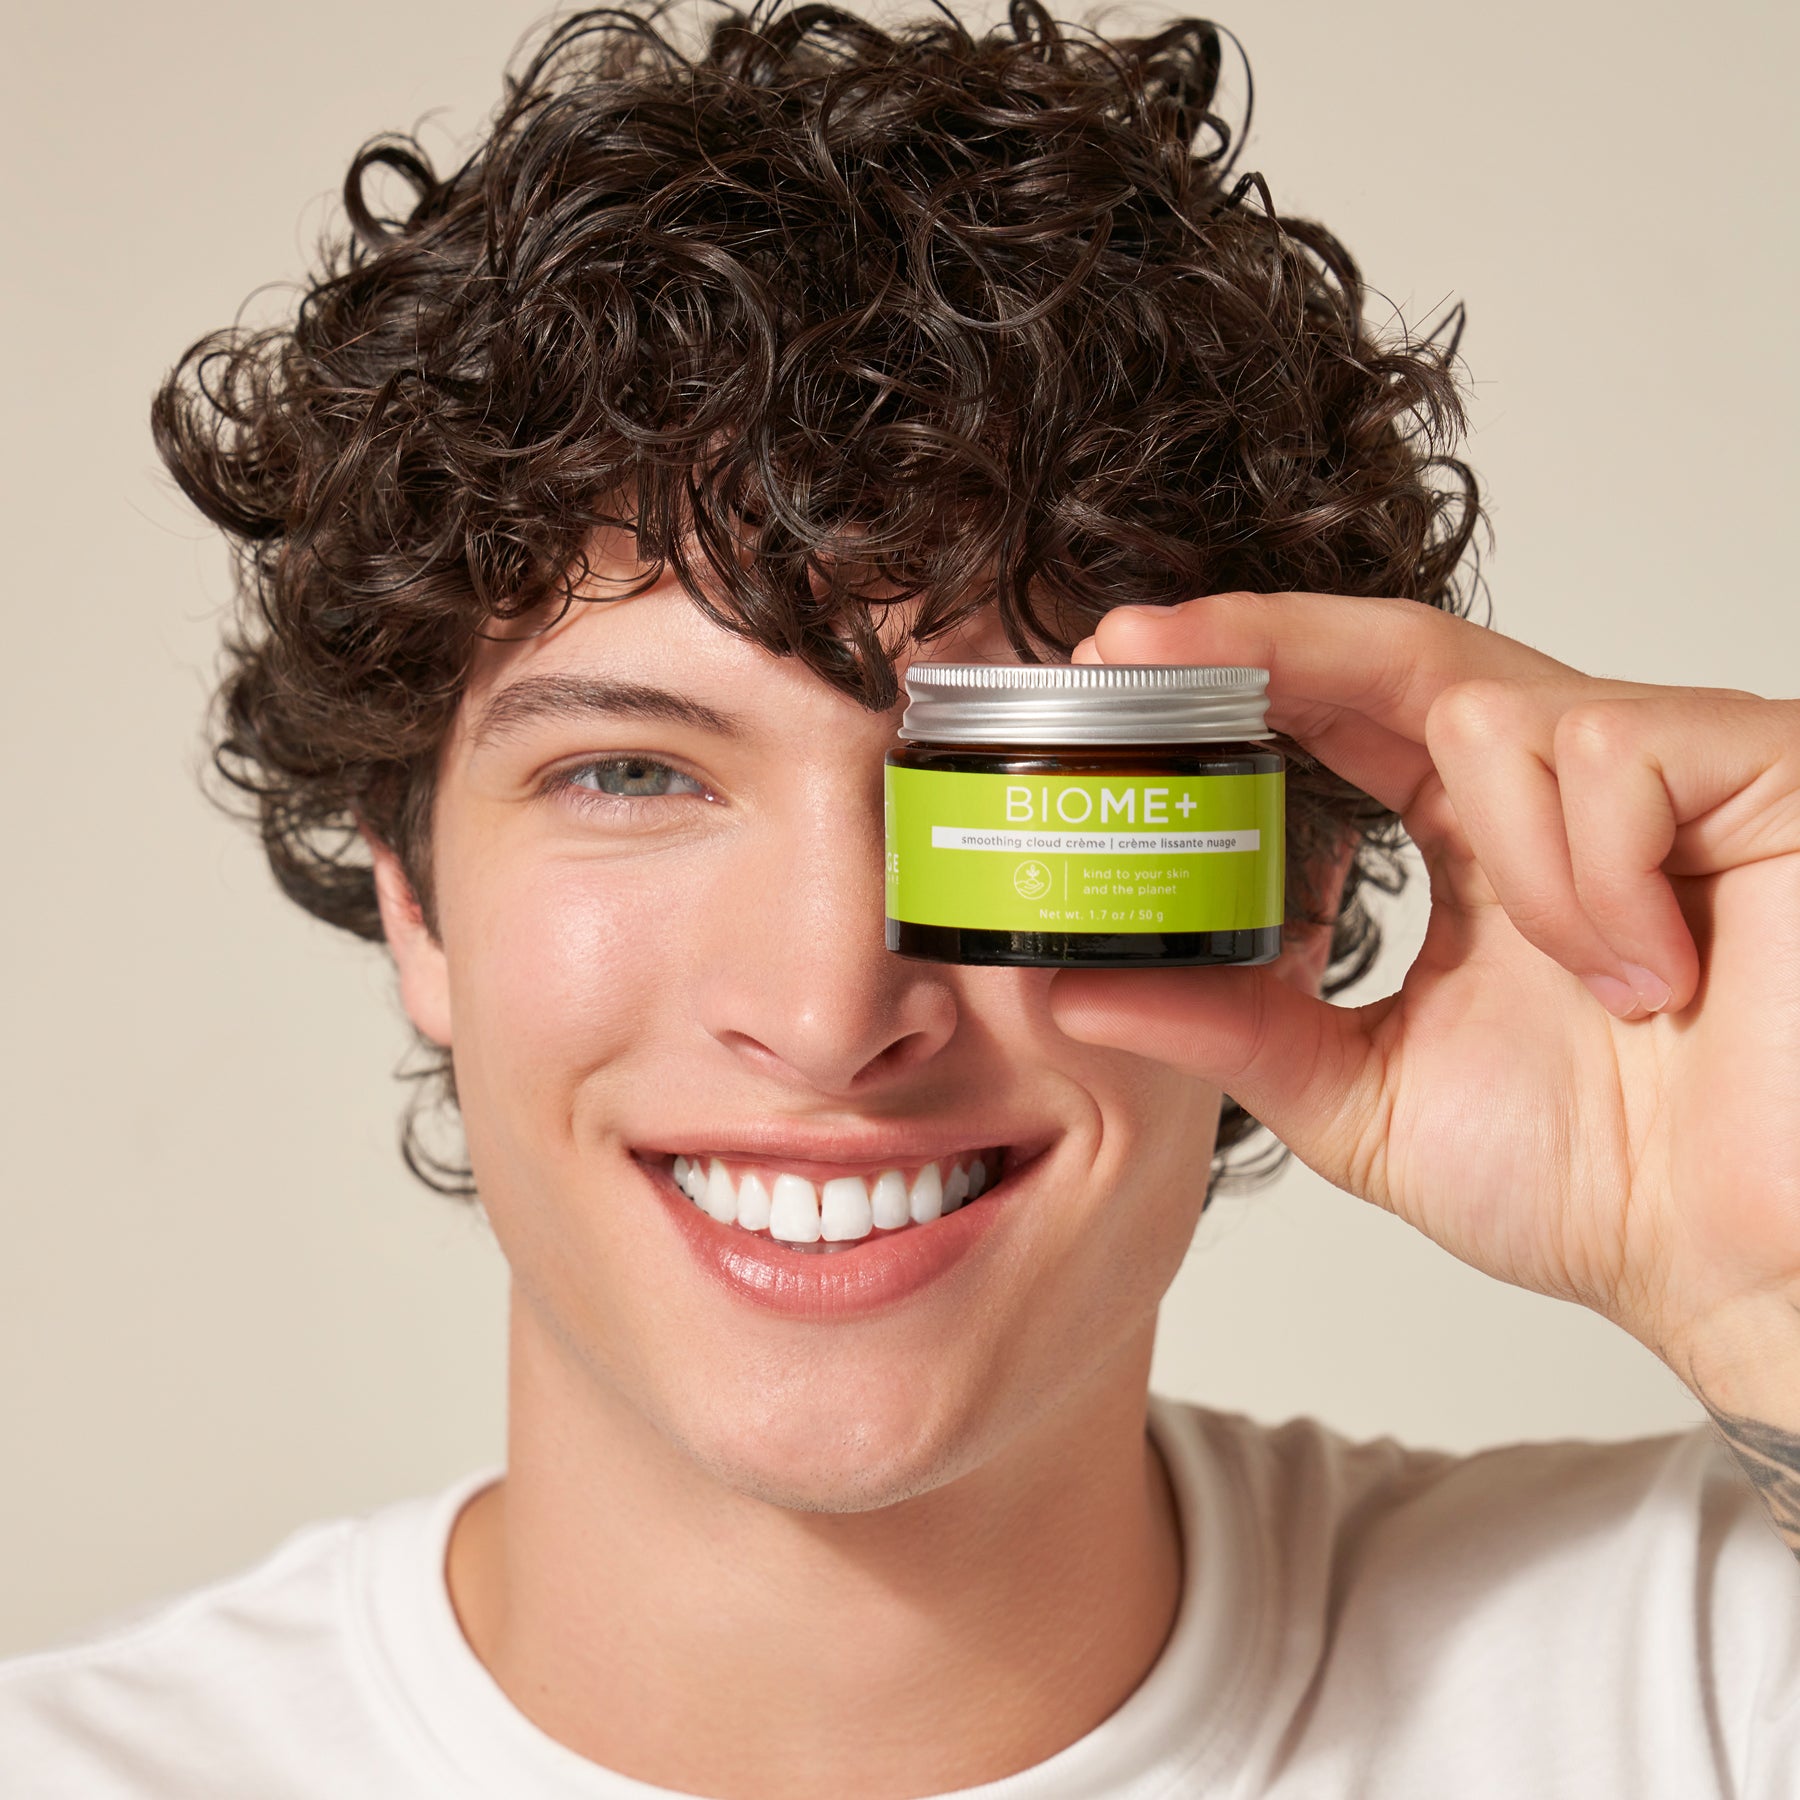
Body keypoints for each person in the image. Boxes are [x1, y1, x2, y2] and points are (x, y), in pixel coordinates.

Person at [4, 4, 1796, 1795]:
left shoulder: (1705, 1679)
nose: (831, 1007)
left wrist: (1777, 1290)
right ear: (414, 899)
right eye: (632, 772)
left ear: (1299, 882)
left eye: (1028, 791)